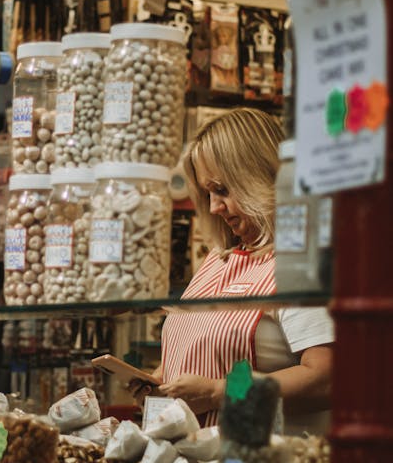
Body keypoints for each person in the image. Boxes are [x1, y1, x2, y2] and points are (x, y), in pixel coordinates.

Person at [131, 107, 334, 433]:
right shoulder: (218, 259)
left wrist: (221, 392)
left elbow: (324, 379)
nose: (213, 207)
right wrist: (161, 384)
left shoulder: (299, 262)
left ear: (259, 177)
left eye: (222, 190)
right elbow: (209, 356)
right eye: (207, 193)